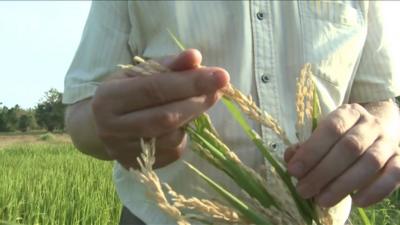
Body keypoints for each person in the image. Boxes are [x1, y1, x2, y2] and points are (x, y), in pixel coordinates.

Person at [64, 1, 400, 225]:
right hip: (165, 216)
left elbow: (382, 101)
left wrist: (380, 131)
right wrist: (107, 123)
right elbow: (82, 109)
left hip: (319, 217)